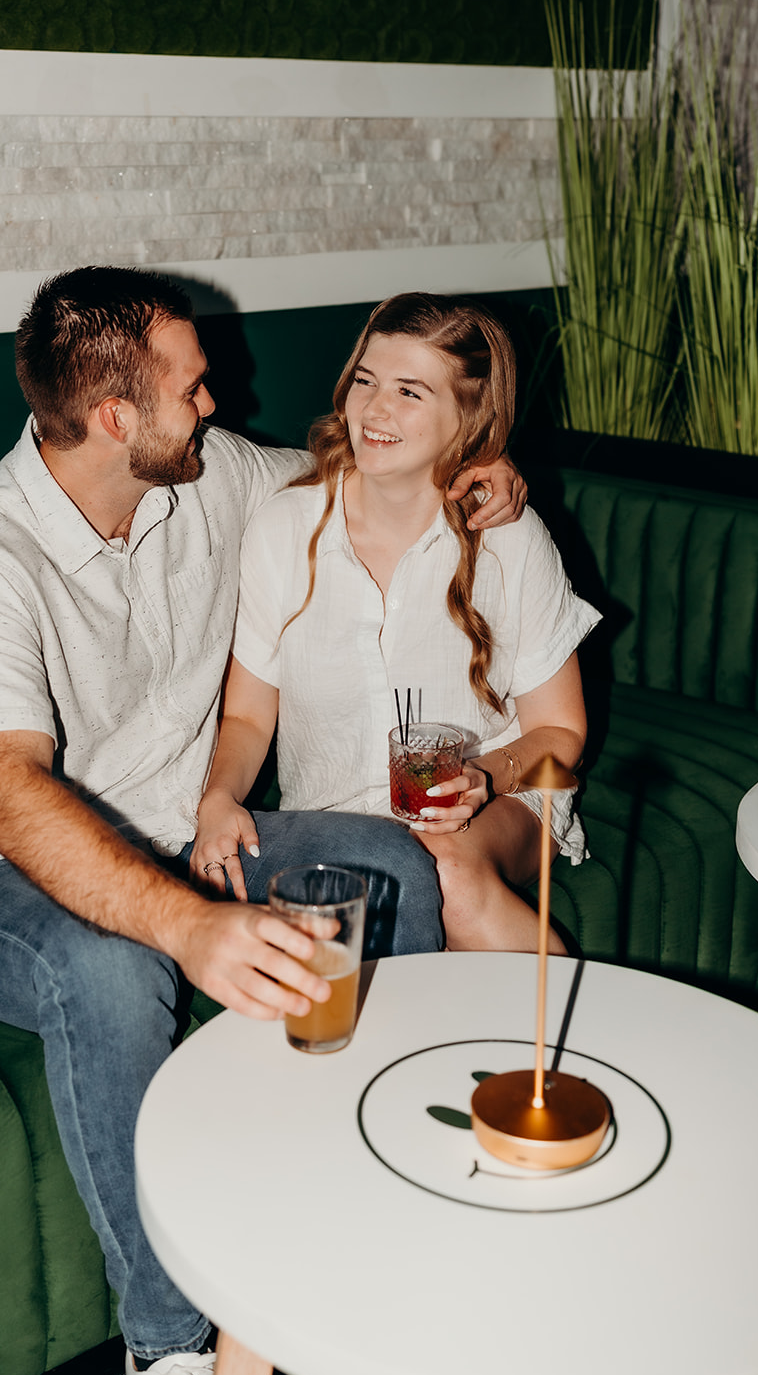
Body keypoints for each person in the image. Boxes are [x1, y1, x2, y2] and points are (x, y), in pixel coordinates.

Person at [0, 268, 527, 1375]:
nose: (213, 404)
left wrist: (477, 479)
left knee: (387, 866)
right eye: (191, 390)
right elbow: (4, 794)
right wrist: (187, 923)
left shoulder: (206, 477)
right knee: (114, 964)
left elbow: (356, 476)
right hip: (3, 882)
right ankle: (170, 1349)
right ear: (114, 419)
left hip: (190, 834)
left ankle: (365, 1192)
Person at [193, 292, 602, 956]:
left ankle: (574, 1048)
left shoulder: (508, 535)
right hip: (334, 822)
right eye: (364, 381)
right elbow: (246, 718)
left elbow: (561, 732)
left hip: (504, 799)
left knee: (442, 866)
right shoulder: (282, 529)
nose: (375, 410)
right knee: (412, 862)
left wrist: (484, 777)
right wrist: (217, 799)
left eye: (410, 392)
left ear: (470, 415)